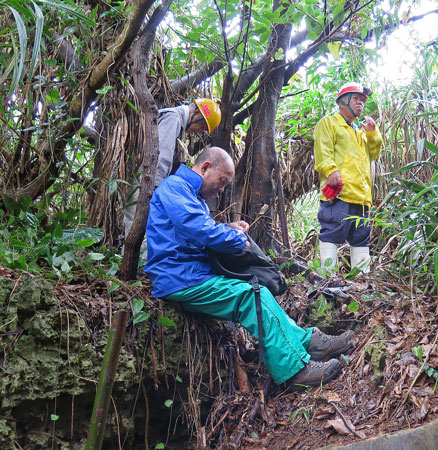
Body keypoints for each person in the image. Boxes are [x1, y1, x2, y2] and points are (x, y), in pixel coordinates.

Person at [144, 146, 355, 387]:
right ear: (205, 168)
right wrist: (237, 240)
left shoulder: (190, 195)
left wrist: (228, 228)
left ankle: (310, 343)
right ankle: (295, 371)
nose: (222, 190)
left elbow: (194, 230)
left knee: (259, 292)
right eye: (222, 181)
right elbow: (199, 230)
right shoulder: (175, 187)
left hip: (191, 274)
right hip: (180, 278)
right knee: (251, 296)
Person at [123, 98, 221, 254]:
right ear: (195, 113)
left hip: (141, 175)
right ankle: (138, 265)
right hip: (144, 178)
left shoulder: (174, 119)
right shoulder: (173, 118)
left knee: (135, 219)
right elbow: (160, 156)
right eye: (201, 127)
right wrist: (154, 187)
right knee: (140, 221)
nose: (198, 132)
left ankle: (135, 263)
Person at [313, 82, 383, 273]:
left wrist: (372, 133)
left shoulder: (360, 132)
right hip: (339, 192)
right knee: (332, 232)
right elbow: (323, 149)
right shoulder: (330, 123)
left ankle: (362, 281)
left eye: (362, 100)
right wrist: (330, 170)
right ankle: (327, 278)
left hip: (360, 196)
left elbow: (372, 154)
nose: (360, 103)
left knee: (361, 236)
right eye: (355, 98)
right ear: (342, 102)